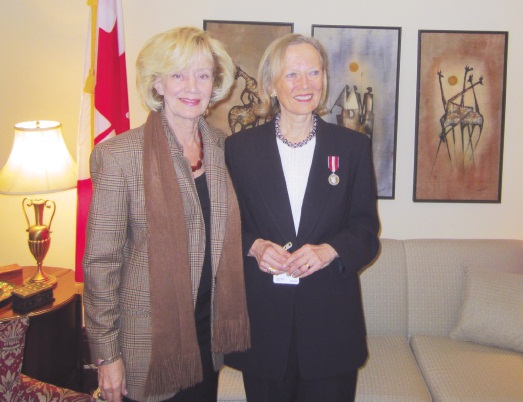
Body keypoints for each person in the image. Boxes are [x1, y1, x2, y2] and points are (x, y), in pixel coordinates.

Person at [83, 27, 250, 402]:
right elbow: (100, 265)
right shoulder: (119, 157)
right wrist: (106, 356)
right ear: (158, 83)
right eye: (178, 74)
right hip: (149, 342)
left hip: (208, 339)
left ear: (215, 84)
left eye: (203, 75)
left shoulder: (226, 150)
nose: (192, 86)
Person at [224, 33, 380, 402]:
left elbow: (366, 230)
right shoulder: (239, 149)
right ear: (270, 85)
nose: (305, 84)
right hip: (263, 326)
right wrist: (255, 247)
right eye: (292, 74)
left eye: (314, 72)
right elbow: (226, 227)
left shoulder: (352, 147)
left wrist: (330, 251)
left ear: (325, 78)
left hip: (330, 326)